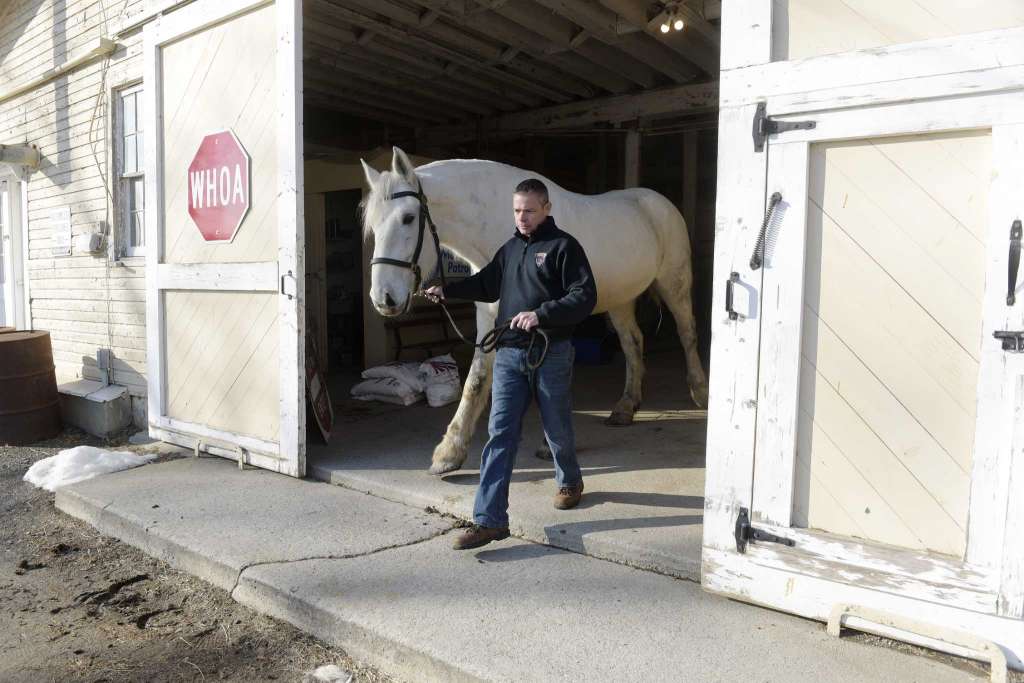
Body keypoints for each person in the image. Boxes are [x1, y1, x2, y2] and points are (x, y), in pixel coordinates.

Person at [424, 178, 597, 550]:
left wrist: (541, 314)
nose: (522, 217)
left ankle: (570, 481)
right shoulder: (510, 249)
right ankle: (489, 521)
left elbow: (585, 296)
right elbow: (487, 284)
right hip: (509, 355)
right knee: (500, 435)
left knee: (556, 426)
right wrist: (448, 291)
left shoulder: (564, 247)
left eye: (530, 210)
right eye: (517, 210)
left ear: (546, 208)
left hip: (550, 352)